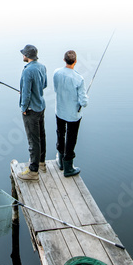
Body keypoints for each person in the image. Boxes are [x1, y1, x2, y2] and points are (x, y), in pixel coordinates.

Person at [53, 49, 88, 177]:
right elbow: (83, 102)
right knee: (71, 139)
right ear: (75, 61)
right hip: (73, 115)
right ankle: (68, 167)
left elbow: (56, 88)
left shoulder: (56, 73)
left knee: (60, 134)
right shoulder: (79, 78)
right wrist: (85, 100)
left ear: (64, 60)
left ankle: (61, 162)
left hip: (60, 111)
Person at [17, 44, 47, 181]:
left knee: (32, 140)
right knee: (41, 135)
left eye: (23, 53)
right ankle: (41, 162)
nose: (23, 55)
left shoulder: (27, 71)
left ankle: (33, 171)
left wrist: (23, 108)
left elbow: (27, 94)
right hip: (41, 106)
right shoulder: (42, 67)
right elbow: (44, 84)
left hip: (31, 110)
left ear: (27, 56)